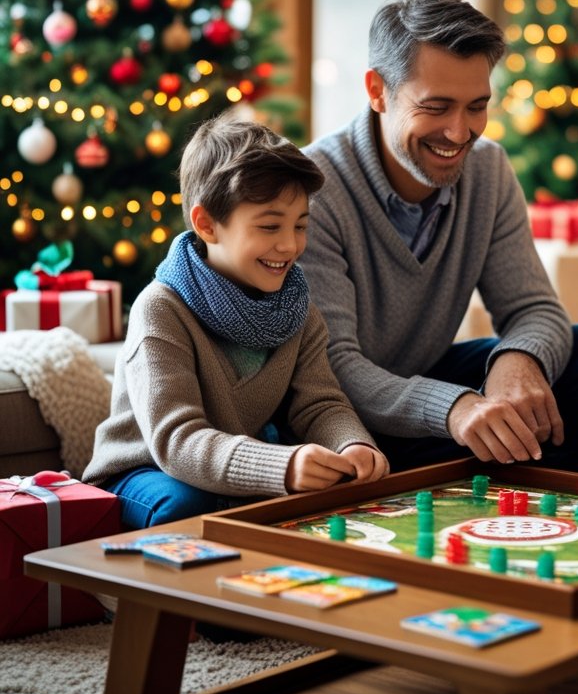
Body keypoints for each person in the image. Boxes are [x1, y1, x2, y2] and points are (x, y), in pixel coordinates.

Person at [301, 0, 578, 473]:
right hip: (341, 417)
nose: (460, 132)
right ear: (377, 90)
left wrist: (519, 361)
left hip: (424, 382)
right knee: (511, 433)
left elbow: (534, 308)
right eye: (437, 106)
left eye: (476, 106)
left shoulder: (487, 170)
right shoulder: (314, 188)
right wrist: (453, 409)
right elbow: (333, 367)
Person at [85, 115, 389, 529]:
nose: (290, 245)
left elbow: (319, 403)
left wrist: (352, 445)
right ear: (207, 224)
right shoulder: (160, 309)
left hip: (229, 469)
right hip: (144, 473)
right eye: (269, 226)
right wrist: (280, 467)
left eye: (300, 225)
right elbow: (177, 440)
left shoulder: (297, 309)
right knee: (188, 506)